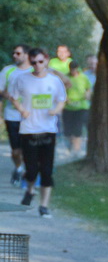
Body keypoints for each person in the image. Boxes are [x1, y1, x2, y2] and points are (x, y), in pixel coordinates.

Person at [10, 48, 64, 218]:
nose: (37, 65)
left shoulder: (54, 81)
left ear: (46, 60)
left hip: (48, 130)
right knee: (32, 169)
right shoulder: (22, 79)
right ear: (30, 62)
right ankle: (30, 190)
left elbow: (62, 99)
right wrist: (21, 110)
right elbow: (13, 97)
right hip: (29, 130)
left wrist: (56, 110)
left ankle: (44, 206)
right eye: (33, 62)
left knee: (47, 170)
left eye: (40, 61)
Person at [5, 44, 28, 186]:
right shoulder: (8, 71)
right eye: (14, 53)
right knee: (15, 151)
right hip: (12, 115)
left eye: (18, 53)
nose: (15, 56)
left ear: (26, 55)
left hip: (29, 116)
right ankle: (18, 168)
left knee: (28, 148)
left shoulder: (34, 70)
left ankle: (27, 173)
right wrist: (8, 95)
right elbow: (1, 90)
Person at [62, 60, 91, 159]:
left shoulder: (83, 77)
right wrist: (65, 98)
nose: (73, 71)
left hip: (81, 106)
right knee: (68, 130)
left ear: (78, 68)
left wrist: (87, 94)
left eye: (74, 69)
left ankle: (76, 151)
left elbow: (88, 88)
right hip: (68, 107)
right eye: (71, 69)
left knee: (77, 128)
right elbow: (60, 90)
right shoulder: (66, 78)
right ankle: (71, 145)